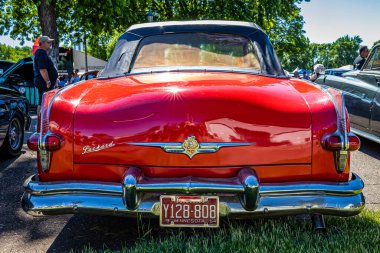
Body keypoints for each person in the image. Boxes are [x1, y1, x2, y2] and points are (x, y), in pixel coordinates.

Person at [33, 35, 58, 113]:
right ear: (42, 43)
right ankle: (41, 121)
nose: (50, 43)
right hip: (43, 82)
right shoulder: (41, 53)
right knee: (43, 102)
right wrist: (48, 81)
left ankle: (41, 121)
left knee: (42, 101)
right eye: (48, 42)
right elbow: (42, 69)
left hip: (42, 81)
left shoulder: (40, 52)